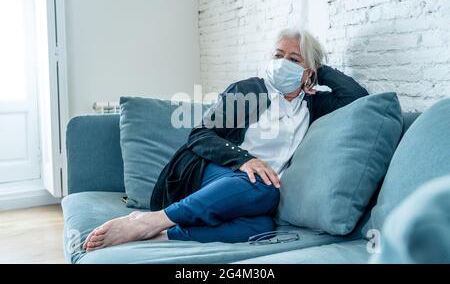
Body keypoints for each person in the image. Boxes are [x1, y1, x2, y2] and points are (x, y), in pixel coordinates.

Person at [83, 28, 368, 252]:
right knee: (265, 189)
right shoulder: (249, 91)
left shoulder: (312, 104)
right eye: (278, 55)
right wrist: (245, 160)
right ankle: (151, 220)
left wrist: (321, 70)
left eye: (293, 60)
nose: (282, 64)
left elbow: (358, 99)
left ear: (308, 72)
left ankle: (163, 234)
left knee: (261, 224)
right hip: (208, 172)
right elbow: (200, 135)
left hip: (252, 194)